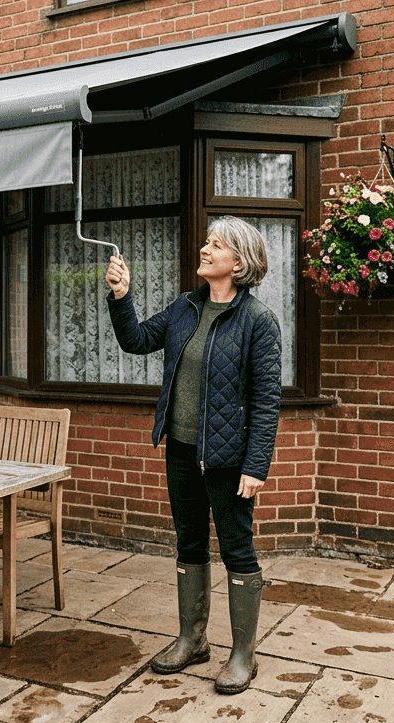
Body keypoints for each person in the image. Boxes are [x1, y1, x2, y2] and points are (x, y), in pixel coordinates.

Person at [103, 215, 282, 695]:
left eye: (216, 245)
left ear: (239, 262)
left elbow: (267, 401)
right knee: (189, 543)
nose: (205, 249)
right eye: (206, 242)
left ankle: (243, 654)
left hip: (229, 458)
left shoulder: (258, 321)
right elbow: (136, 340)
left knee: (237, 548)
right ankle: (192, 640)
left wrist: (256, 466)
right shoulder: (185, 308)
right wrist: (121, 295)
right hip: (181, 451)